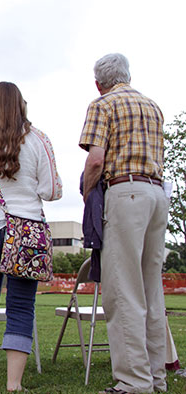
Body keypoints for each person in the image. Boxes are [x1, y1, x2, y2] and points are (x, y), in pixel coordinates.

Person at [0, 82, 62, 391]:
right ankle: (13, 384)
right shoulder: (38, 139)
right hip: (26, 231)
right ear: (21, 105)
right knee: (20, 306)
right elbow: (52, 190)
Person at [79, 53, 167, 394]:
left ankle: (133, 381)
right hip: (156, 195)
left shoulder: (103, 104)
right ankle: (155, 377)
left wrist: (88, 194)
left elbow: (96, 159)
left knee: (123, 292)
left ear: (99, 83)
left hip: (125, 193)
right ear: (127, 75)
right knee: (150, 291)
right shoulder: (153, 106)